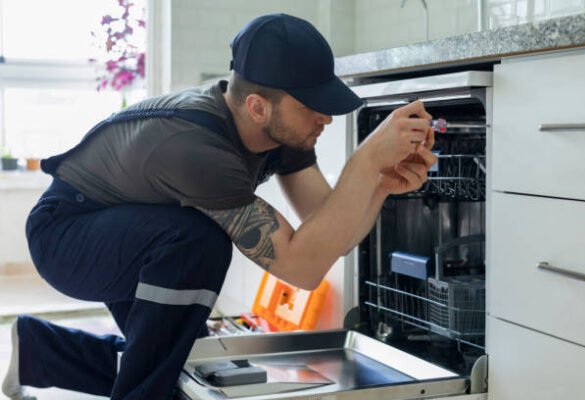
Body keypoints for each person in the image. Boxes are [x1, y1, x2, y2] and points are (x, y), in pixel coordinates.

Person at [2, 13, 436, 400]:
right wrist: (364, 160)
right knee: (200, 244)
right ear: (257, 106)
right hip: (66, 236)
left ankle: (40, 351)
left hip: (130, 229)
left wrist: (377, 184)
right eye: (312, 107)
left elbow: (328, 235)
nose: (326, 117)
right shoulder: (199, 150)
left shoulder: (280, 132)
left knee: (176, 356)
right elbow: (301, 267)